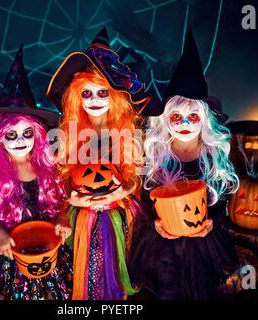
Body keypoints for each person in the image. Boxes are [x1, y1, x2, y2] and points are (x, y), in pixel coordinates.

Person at [46, 28, 157, 300]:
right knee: (84, 236)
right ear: (77, 97)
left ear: (115, 97)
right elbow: (59, 179)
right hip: (80, 208)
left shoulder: (129, 134)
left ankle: (115, 293)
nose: (94, 100)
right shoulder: (67, 134)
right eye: (87, 94)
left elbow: (134, 176)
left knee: (113, 228)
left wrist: (121, 191)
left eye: (102, 93)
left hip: (117, 207)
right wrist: (72, 197)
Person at [129, 29, 240, 300]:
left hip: (202, 237)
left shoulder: (212, 155)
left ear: (204, 119)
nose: (186, 123)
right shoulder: (157, 154)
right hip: (162, 239)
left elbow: (221, 198)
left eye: (193, 116)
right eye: (177, 117)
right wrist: (154, 222)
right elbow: (147, 197)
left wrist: (212, 222)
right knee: (165, 287)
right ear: (166, 120)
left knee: (200, 287)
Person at [0, 45, 72, 300]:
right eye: (11, 135)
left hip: (47, 245)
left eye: (27, 133)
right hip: (13, 252)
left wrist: (62, 218)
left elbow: (59, 201)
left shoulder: (47, 166)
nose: (20, 140)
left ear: (38, 134)